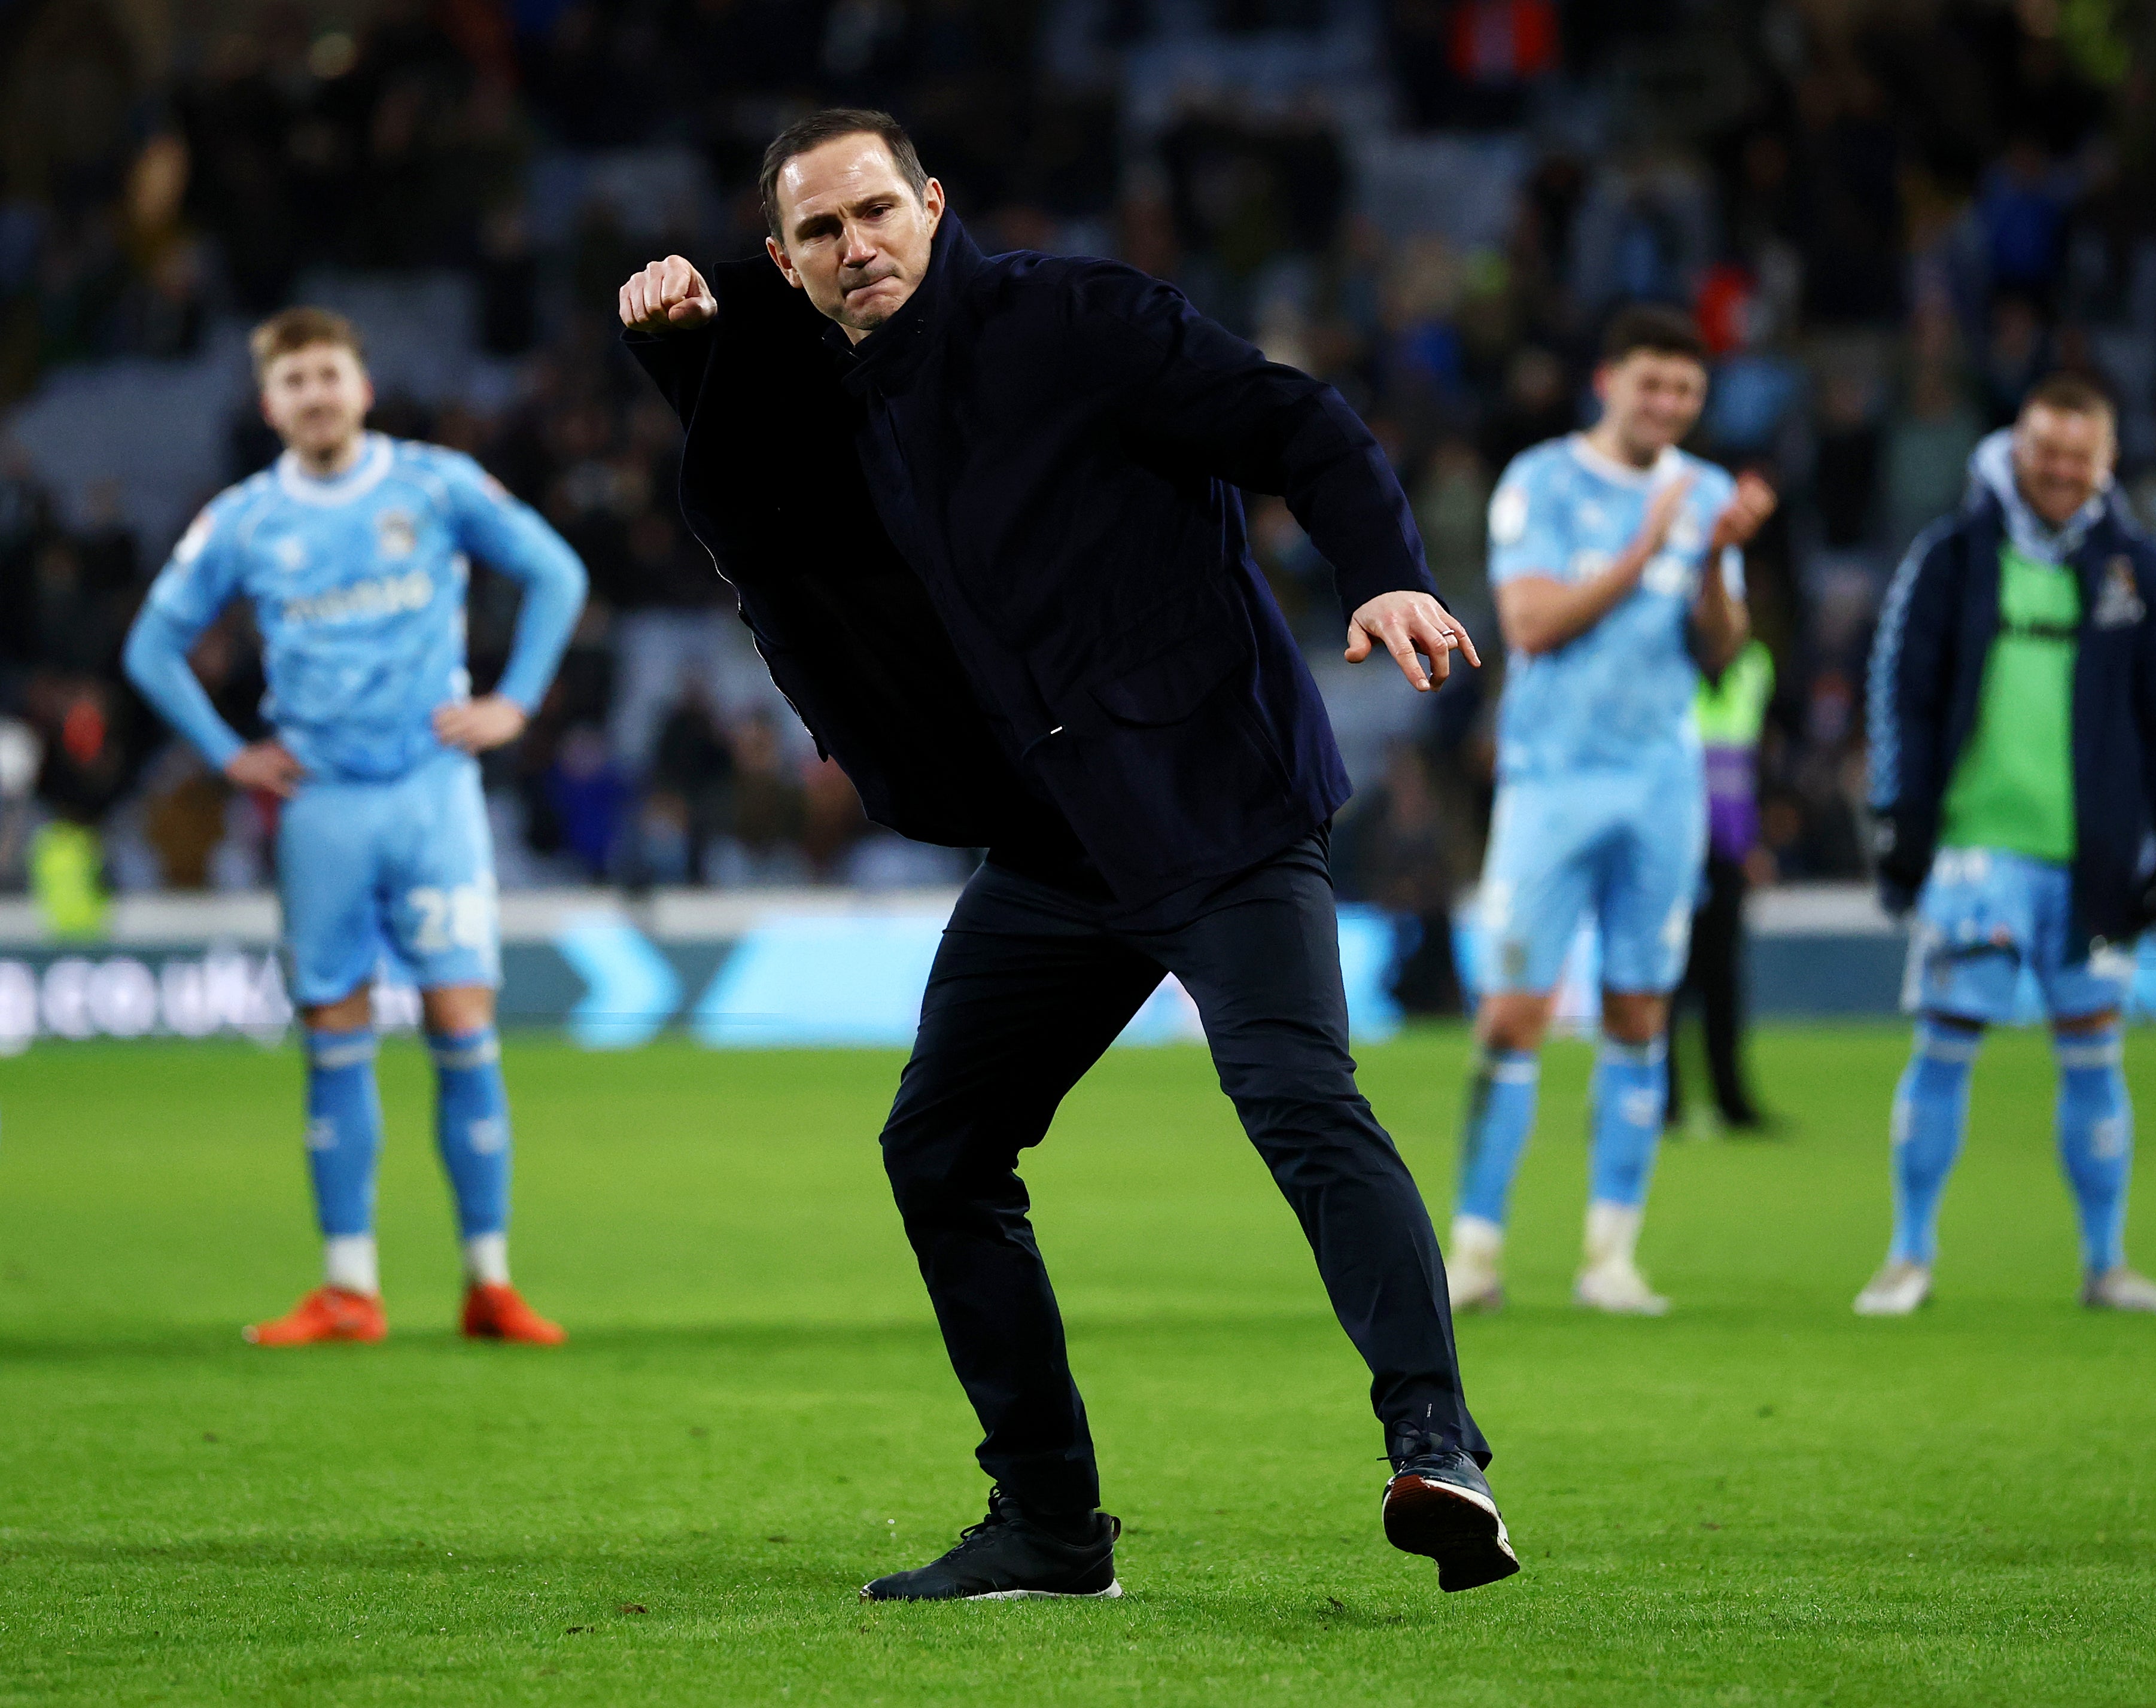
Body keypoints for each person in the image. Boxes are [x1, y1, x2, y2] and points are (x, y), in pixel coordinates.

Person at [618, 109, 1515, 1600]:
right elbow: (771, 521)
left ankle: (1437, 1441)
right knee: (943, 1149)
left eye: (877, 212)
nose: (858, 248)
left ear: (933, 202)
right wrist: (688, 348)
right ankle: (1047, 1521)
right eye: (822, 234)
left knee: (1297, 1097)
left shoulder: (1076, 320)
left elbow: (1304, 422)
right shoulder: (846, 400)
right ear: (785, 262)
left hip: (1217, 795)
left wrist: (1387, 577)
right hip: (1060, 839)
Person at [123, 308, 586, 1347]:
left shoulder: (433, 483)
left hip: (432, 793)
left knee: (462, 1031)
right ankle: (349, 1289)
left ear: (362, 387)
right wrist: (227, 752)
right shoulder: (243, 519)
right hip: (320, 804)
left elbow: (558, 572)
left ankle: (488, 1281)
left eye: (330, 374)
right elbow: (152, 649)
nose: (317, 395)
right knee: (334, 1039)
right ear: (270, 403)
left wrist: (515, 700)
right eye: (295, 382)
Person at [1443, 306, 1777, 1319]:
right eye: (1653, 386)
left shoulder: (1710, 494)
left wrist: (1714, 556)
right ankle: (1475, 1253)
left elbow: (1720, 652)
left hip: (1661, 785)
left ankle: (1610, 1260)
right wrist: (1648, 542)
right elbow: (1532, 623)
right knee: (1514, 1015)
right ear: (1610, 383)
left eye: (1687, 391)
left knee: (1640, 1010)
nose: (1669, 405)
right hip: (1551, 781)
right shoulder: (1541, 481)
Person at [1860, 373, 2156, 1318]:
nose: (2057, 470)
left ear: (2104, 463)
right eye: (2043, 450)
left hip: (2094, 856)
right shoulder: (1953, 554)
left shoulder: (2141, 569)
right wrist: (1895, 814)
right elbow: (1901, 685)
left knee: (2095, 1050)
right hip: (1977, 846)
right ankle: (1907, 1256)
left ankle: (2105, 1264)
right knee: (1943, 1043)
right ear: (2016, 447)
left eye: (2077, 454)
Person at [1667, 635, 1775, 1135]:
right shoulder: (1670, 665)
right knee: (1665, 978)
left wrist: (1753, 839)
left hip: (1727, 852)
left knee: (1723, 982)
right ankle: (1664, 1100)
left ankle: (1730, 1099)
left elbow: (1750, 765)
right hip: (1673, 846)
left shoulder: (1755, 667)